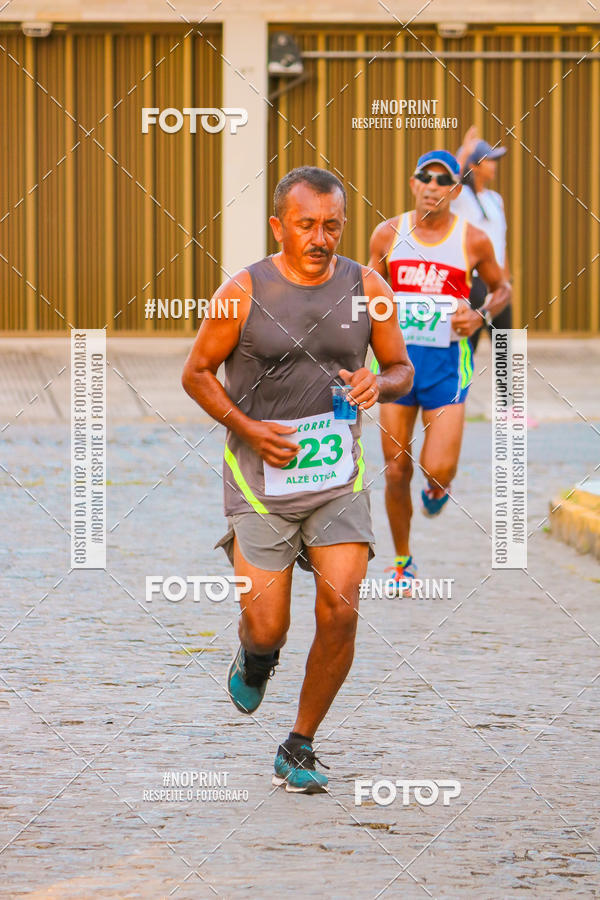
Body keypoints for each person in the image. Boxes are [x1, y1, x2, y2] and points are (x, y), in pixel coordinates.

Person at [182, 166, 413, 793]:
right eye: (307, 224)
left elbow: (399, 368)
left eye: (333, 225)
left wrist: (379, 383)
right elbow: (197, 373)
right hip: (261, 479)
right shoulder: (243, 290)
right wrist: (250, 429)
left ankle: (300, 744)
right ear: (279, 225)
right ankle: (257, 658)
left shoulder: (368, 286)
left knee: (341, 607)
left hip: (337, 477)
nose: (322, 237)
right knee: (269, 624)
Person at [368, 150, 511, 595]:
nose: (432, 185)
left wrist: (481, 314)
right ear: (413, 184)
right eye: (424, 177)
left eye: (442, 179)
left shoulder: (473, 239)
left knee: (437, 470)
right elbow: (364, 290)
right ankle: (402, 562)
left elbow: (502, 286)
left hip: (447, 367)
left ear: (454, 189)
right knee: (395, 471)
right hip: (395, 367)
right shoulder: (387, 233)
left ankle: (437, 490)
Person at [451, 127, 511, 352]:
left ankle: (509, 390)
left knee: (508, 354)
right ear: (474, 166)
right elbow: (448, 187)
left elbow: (502, 243)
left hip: (497, 284)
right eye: (489, 160)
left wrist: (507, 281)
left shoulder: (496, 199)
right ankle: (461, 389)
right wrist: (464, 154)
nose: (494, 165)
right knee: (466, 351)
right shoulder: (460, 198)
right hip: (471, 285)